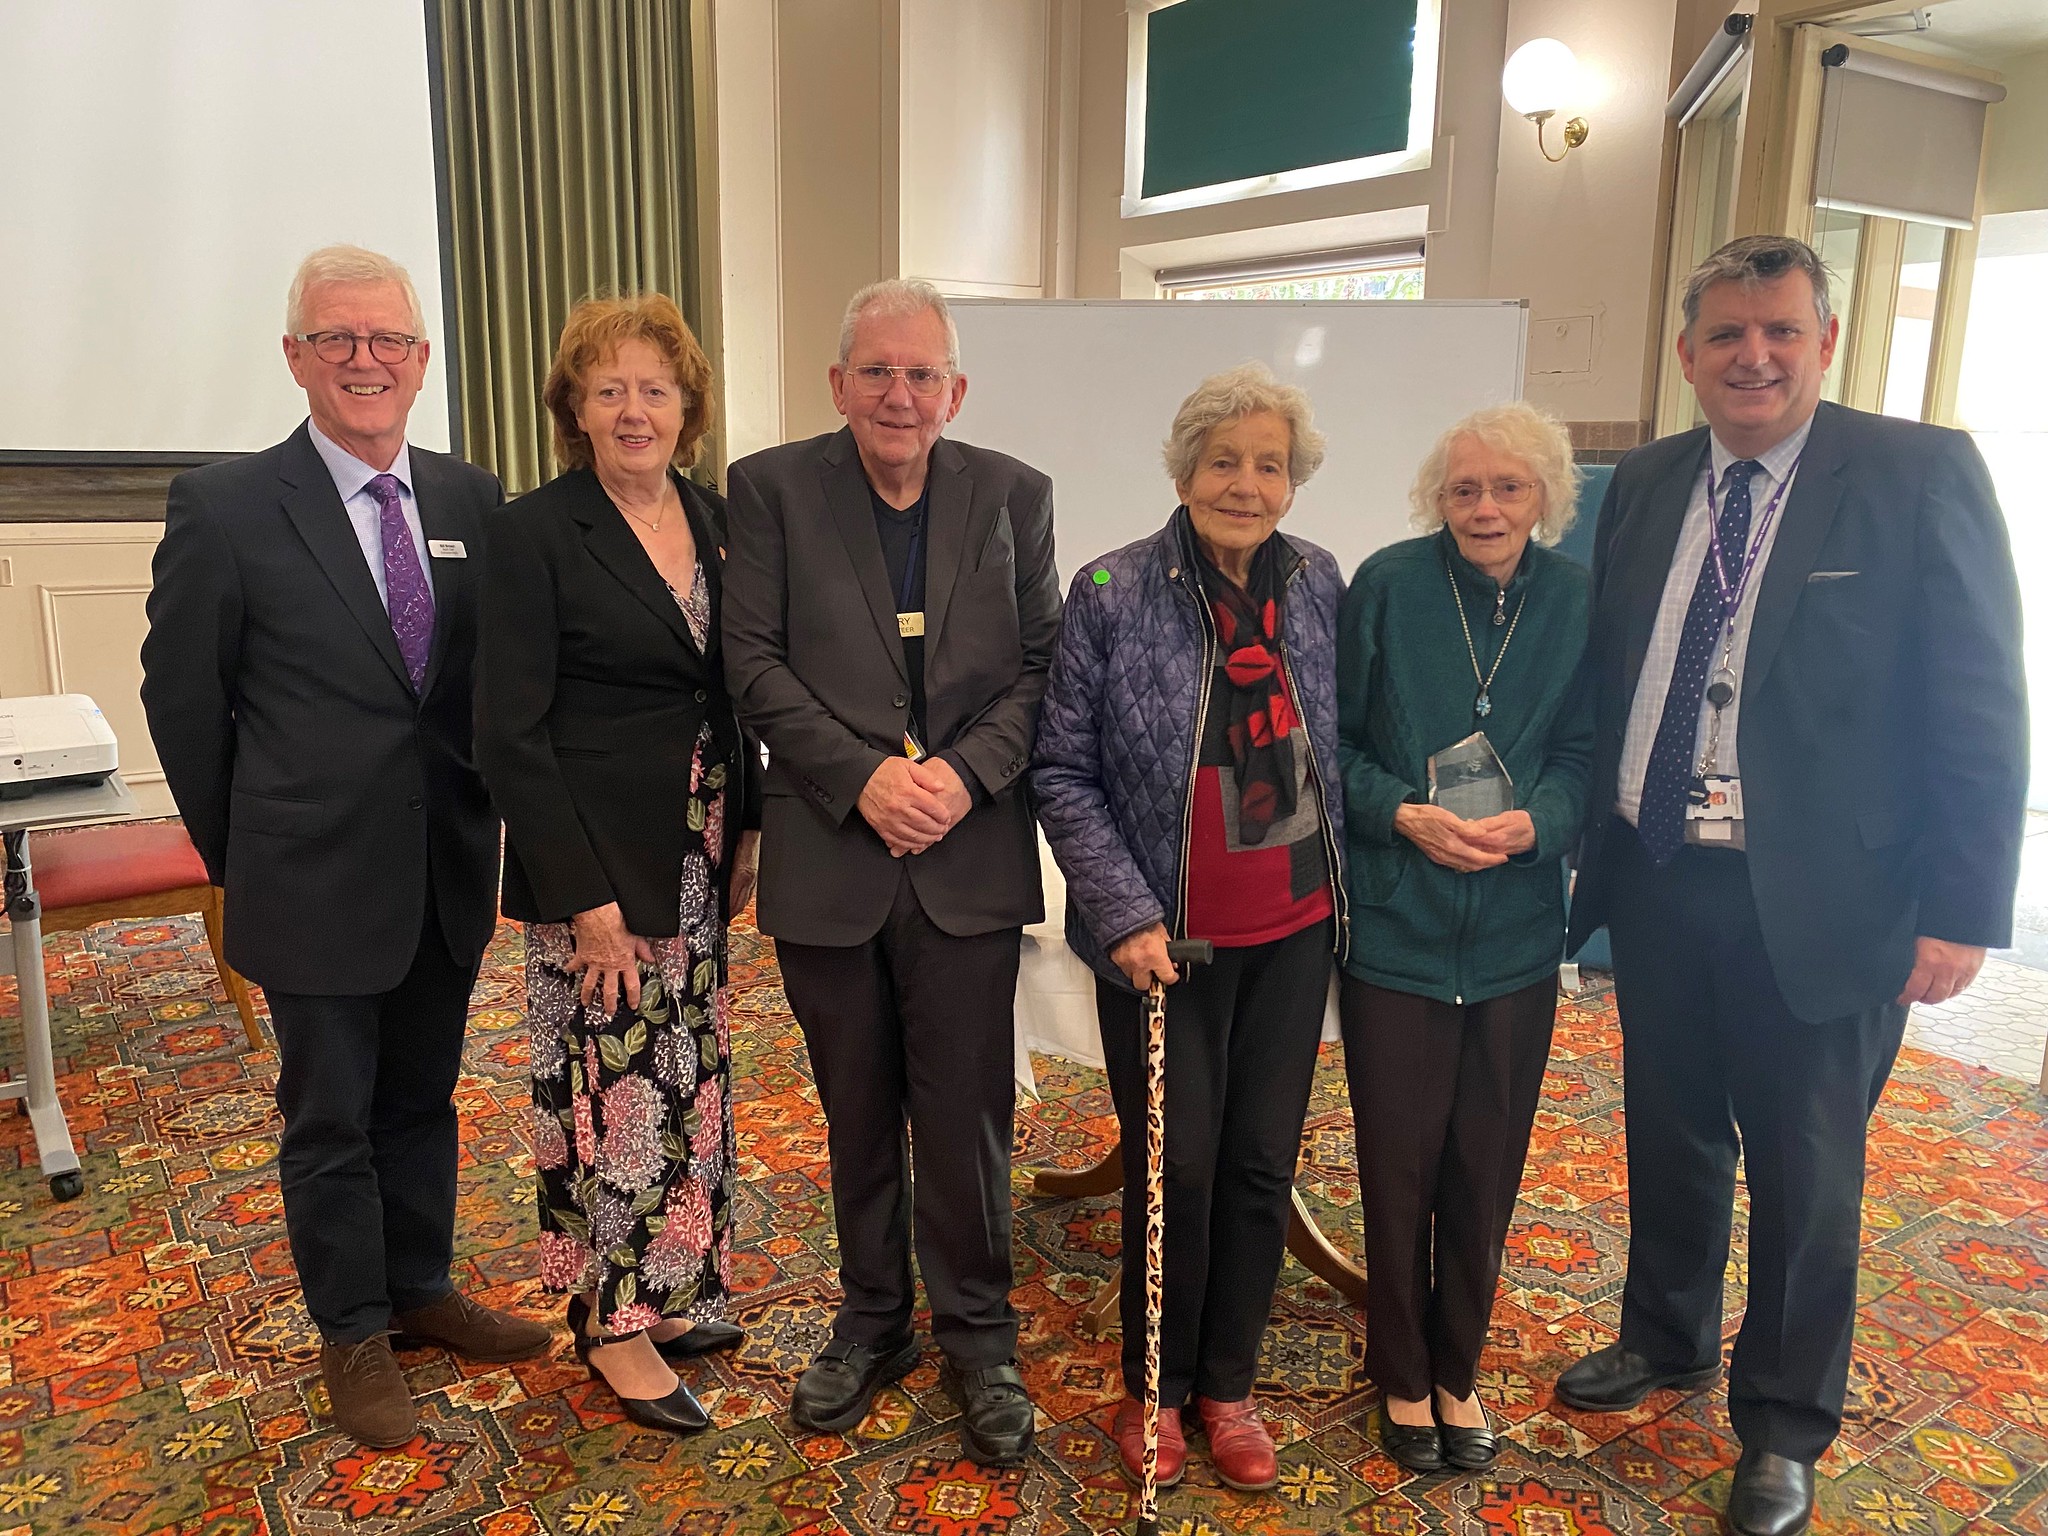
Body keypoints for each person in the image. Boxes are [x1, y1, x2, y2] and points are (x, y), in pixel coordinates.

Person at [1560, 235, 2024, 1536]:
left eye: (1779, 331)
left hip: (1827, 899)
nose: (1752, 356)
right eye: (1726, 334)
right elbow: (1614, 665)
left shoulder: (1916, 473)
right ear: (1687, 354)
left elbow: (1981, 700)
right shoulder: (1648, 482)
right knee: (1669, 1130)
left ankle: (1783, 1423)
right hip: (1660, 878)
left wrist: (1961, 906)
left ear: (1824, 342)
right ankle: (1664, 1338)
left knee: (1809, 1172)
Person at [139, 245, 549, 1449]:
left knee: (424, 1097)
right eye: (338, 338)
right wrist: (246, 853)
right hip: (307, 873)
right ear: (295, 357)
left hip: (444, 869)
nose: (365, 359)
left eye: (389, 340)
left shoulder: (475, 499)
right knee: (329, 1117)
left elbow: (488, 692)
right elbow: (184, 706)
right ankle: (354, 1331)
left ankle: (419, 1288)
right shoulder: (223, 506)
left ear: (423, 360)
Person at [721, 278, 1060, 1466]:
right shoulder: (767, 490)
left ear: (953, 391)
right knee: (855, 1111)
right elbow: (750, 660)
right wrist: (861, 778)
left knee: (967, 1119)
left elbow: (1039, 666)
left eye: (922, 375)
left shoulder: (1014, 493)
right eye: (877, 371)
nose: (899, 394)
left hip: (965, 854)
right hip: (831, 851)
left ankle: (977, 1335)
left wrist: (962, 779)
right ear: (837, 384)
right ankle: (873, 1320)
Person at [1033, 362, 1345, 1494]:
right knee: (1180, 1166)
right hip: (1162, 941)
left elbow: (1335, 749)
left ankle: (1228, 1386)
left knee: (1261, 1164)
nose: (1244, 483)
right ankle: (1153, 1391)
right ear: (1183, 469)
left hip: (1291, 923)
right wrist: (1120, 915)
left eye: (1268, 465)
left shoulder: (1317, 581)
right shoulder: (1112, 587)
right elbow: (1061, 772)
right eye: (1223, 461)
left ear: (1291, 485)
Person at [474, 294, 760, 1435]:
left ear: (687, 408)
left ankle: (670, 1284)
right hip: (597, 864)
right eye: (609, 391)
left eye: (655, 389)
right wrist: (584, 901)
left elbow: (745, 687)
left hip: (699, 847)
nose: (633, 410)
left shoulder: (721, 517)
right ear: (574, 410)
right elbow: (508, 731)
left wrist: (755, 821)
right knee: (615, 1089)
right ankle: (612, 1328)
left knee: (688, 1080)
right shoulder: (534, 533)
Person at [1335, 402, 1591, 1473]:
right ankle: (1398, 1374)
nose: (1483, 508)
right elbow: (1328, 746)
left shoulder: (1578, 599)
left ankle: (1457, 1370)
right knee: (1397, 1165)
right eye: (1462, 490)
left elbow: (1585, 753)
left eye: (1506, 488)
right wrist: (1399, 809)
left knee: (1483, 1166)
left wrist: (1541, 824)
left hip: (1515, 941)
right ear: (1434, 500)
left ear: (1544, 498)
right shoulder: (1387, 585)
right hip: (1396, 926)